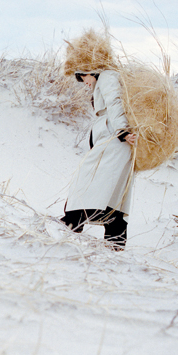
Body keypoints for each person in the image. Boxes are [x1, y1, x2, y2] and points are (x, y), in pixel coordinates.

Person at [59, 68, 138, 250]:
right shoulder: (103, 80)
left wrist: (123, 132)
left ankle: (70, 226)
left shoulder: (107, 77)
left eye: (83, 76)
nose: (83, 82)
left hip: (115, 140)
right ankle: (114, 243)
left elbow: (115, 103)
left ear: (91, 70)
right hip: (112, 140)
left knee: (87, 182)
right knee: (111, 191)